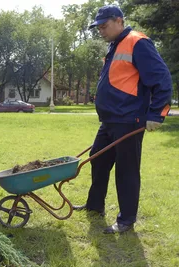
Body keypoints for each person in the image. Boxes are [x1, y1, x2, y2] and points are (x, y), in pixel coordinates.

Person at [73, 5, 172, 234]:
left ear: (119, 20)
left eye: (104, 26)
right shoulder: (115, 46)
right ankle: (95, 205)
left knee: (126, 170)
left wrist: (157, 114)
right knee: (97, 161)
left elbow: (162, 79)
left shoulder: (138, 42)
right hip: (110, 121)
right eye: (98, 27)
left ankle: (126, 219)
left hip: (129, 119)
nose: (101, 31)